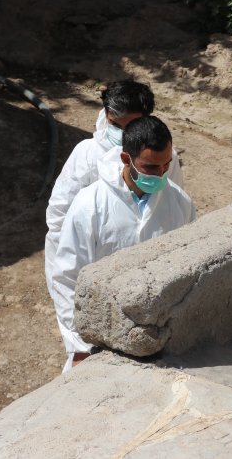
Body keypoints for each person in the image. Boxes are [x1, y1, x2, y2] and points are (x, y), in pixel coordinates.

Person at [44, 80, 184, 368]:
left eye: (130, 125)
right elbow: (63, 249)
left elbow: (172, 210)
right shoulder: (87, 160)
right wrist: (78, 343)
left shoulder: (163, 160)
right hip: (96, 284)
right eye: (114, 124)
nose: (121, 133)